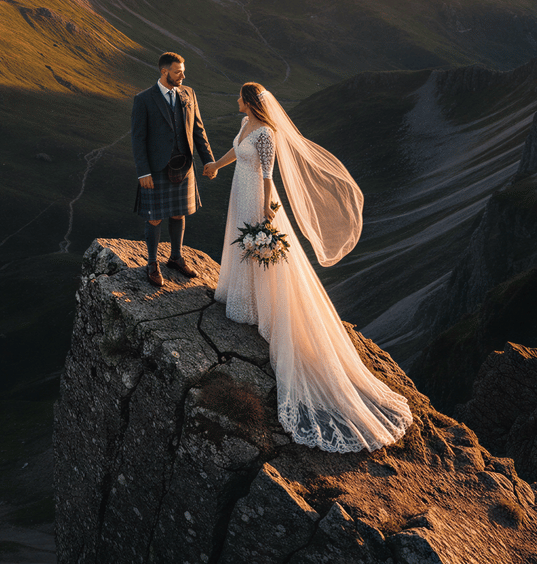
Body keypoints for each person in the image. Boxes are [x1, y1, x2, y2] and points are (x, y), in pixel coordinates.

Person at [207, 83, 412, 452]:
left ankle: (262, 306)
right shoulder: (245, 126)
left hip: (256, 196)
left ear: (250, 101)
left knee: (259, 252)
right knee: (241, 248)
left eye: (240, 97)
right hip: (238, 191)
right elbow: (235, 153)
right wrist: (216, 167)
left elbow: (268, 176)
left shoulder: (267, 134)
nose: (236, 101)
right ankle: (241, 297)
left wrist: (268, 214)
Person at [131, 52, 216, 287]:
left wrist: (209, 161)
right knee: (155, 218)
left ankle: (175, 258)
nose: (183, 75)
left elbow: (198, 130)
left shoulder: (189, 94)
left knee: (179, 213)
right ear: (164, 71)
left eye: (183, 71)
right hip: (156, 169)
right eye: (178, 71)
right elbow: (138, 139)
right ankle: (152, 263)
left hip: (184, 166)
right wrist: (143, 172)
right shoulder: (144, 99)